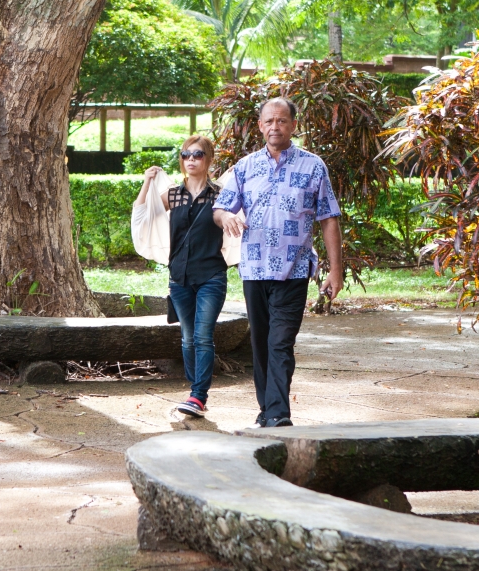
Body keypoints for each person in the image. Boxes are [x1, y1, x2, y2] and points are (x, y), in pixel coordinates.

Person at [213, 97, 343, 428]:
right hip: (254, 269)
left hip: (294, 269)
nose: (275, 126)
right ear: (260, 126)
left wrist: (335, 271)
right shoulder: (244, 167)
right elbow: (220, 208)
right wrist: (226, 217)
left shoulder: (313, 166)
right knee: (261, 343)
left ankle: (277, 414)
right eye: (269, 121)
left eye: (282, 121)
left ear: (293, 126)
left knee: (280, 343)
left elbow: (329, 218)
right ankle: (267, 411)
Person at [134, 135, 228, 418]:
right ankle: (195, 390)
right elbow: (143, 214)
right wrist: (147, 182)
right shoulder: (174, 194)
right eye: (186, 155)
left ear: (208, 159)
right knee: (187, 339)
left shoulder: (220, 193)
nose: (191, 160)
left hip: (211, 274)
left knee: (202, 336)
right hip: (179, 277)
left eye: (198, 155)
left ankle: (198, 395)